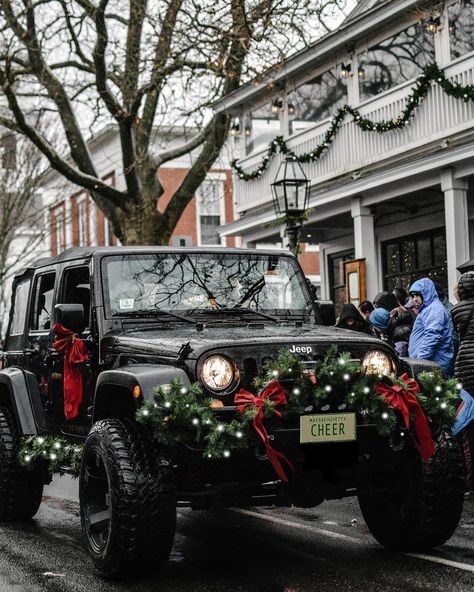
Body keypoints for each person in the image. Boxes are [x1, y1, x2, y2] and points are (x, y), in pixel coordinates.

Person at [450, 272, 474, 491]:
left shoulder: (456, 310)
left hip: (464, 362)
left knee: (467, 419)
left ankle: (469, 477)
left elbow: (455, 339)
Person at [407, 278, 454, 375]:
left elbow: (432, 337)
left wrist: (419, 361)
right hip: (429, 364)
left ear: (426, 293)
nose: (414, 299)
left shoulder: (434, 309)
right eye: (413, 296)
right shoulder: (428, 309)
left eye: (417, 295)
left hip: (432, 365)